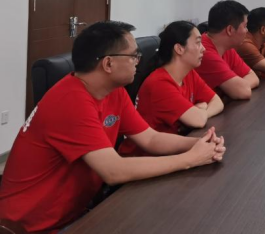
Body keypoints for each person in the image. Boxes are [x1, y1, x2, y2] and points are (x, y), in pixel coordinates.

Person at [0, 22, 225, 233]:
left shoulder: (114, 91)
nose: (139, 61)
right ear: (108, 64)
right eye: (133, 56)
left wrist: (199, 144)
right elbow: (114, 171)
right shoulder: (71, 100)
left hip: (76, 213)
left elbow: (150, 139)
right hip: (30, 226)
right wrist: (189, 159)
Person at [119, 21, 224, 157]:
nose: (203, 48)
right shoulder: (159, 83)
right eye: (198, 43)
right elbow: (198, 121)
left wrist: (202, 111)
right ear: (179, 49)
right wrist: (200, 110)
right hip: (143, 157)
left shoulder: (189, 73)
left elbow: (217, 102)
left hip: (171, 150)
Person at [195, 0, 259, 100]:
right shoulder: (204, 52)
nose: (247, 31)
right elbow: (243, 92)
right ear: (230, 30)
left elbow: (253, 77)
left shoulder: (226, 47)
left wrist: (239, 86)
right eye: (245, 26)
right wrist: (238, 87)